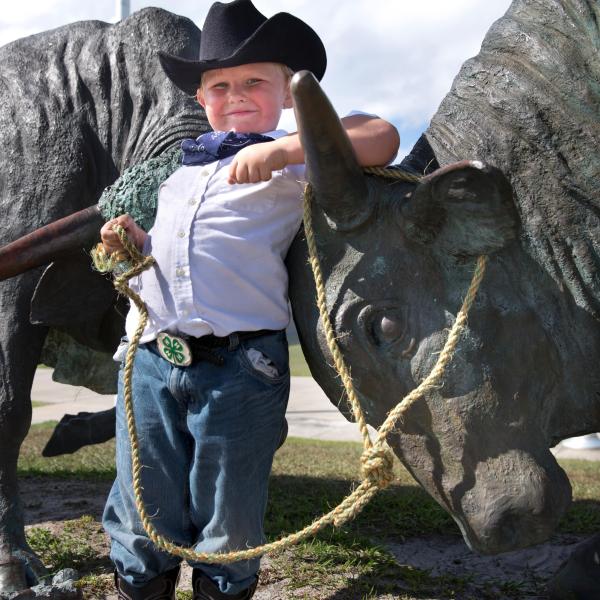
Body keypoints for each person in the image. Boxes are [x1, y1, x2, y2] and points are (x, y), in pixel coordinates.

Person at [100, 1, 400, 598]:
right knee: (142, 502)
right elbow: (176, 254)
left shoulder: (295, 157)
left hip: (241, 365)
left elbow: (382, 136)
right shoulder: (178, 173)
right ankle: (141, 584)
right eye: (219, 85)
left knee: (228, 508)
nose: (235, 94)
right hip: (151, 359)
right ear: (201, 98)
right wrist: (134, 243)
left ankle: (221, 586)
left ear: (286, 94)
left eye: (253, 82)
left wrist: (287, 150)